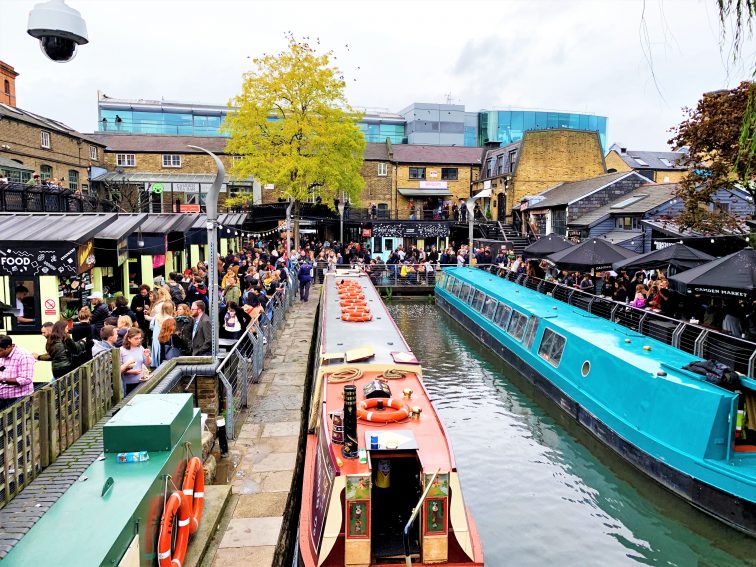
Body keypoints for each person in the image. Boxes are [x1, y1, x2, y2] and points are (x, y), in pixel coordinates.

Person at [0, 335, 35, 409]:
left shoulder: (24, 356)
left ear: (8, 347)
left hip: (18, 399)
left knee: (16, 417)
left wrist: (3, 380)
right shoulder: (2, 354)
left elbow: (26, 379)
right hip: (2, 398)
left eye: (0, 351)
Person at [119, 327, 151, 396]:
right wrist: (131, 372)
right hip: (127, 383)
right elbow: (118, 370)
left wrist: (147, 356)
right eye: (136, 338)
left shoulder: (140, 348)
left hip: (141, 381)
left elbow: (148, 364)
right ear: (129, 339)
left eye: (140, 338)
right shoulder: (121, 350)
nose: (139, 340)